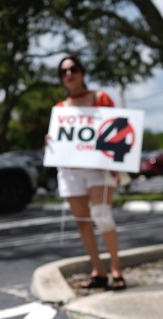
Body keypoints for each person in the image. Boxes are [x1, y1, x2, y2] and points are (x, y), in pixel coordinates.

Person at [50, 55, 128, 291]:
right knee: (83, 221)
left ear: (82, 72)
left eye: (73, 69)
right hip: (72, 171)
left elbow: (117, 129)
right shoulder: (60, 109)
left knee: (102, 213)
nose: (68, 74)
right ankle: (98, 271)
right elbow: (59, 142)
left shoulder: (100, 98)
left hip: (98, 168)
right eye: (63, 71)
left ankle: (116, 268)